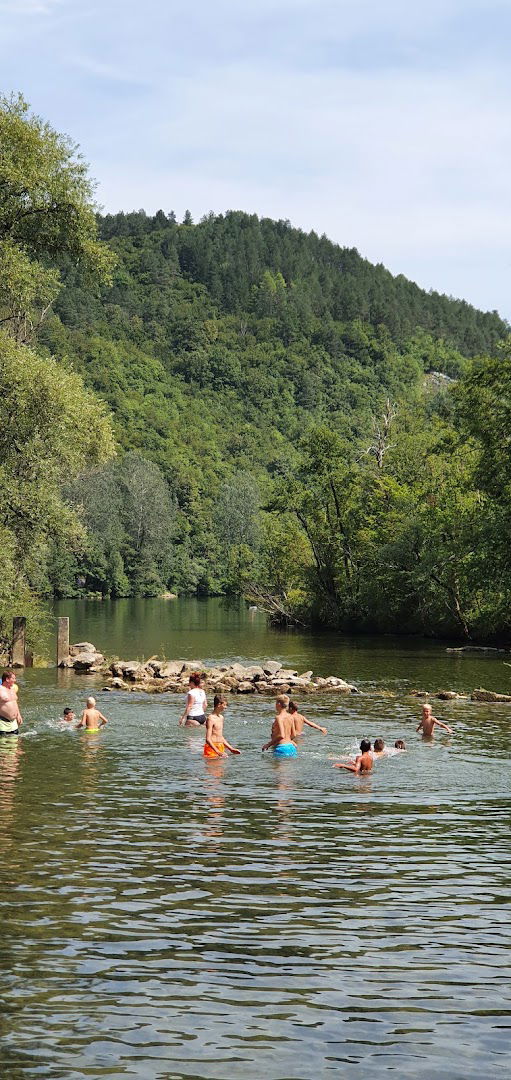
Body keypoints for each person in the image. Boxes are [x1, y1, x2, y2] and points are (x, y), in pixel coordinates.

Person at [0, 670, 23, 736]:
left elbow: (14, 702)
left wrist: (18, 715)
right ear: (7, 679)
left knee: (15, 744)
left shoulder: (12, 689)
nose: (15, 680)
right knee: (4, 745)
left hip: (14, 724)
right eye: (13, 678)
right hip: (3, 723)